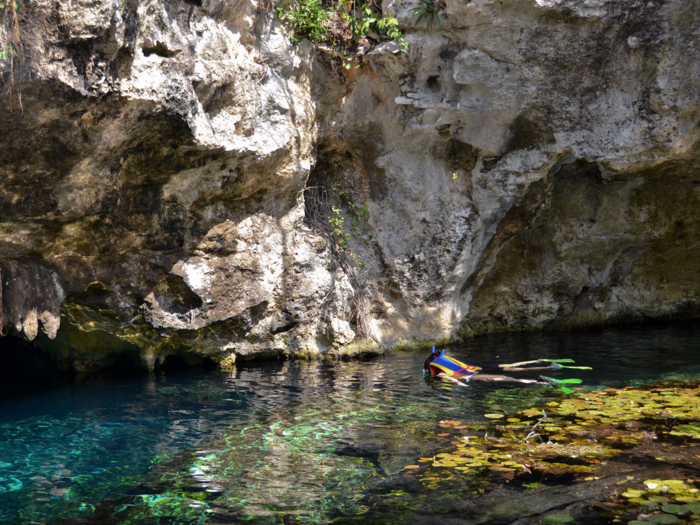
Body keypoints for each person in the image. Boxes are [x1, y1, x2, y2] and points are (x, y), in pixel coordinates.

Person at [423, 347, 568, 386]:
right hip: (476, 370)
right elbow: (455, 377)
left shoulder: (438, 373)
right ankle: (546, 369)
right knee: (511, 369)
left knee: (506, 376)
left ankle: (538, 381)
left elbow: (454, 379)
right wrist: (462, 384)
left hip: (473, 374)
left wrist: (462, 385)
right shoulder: (444, 367)